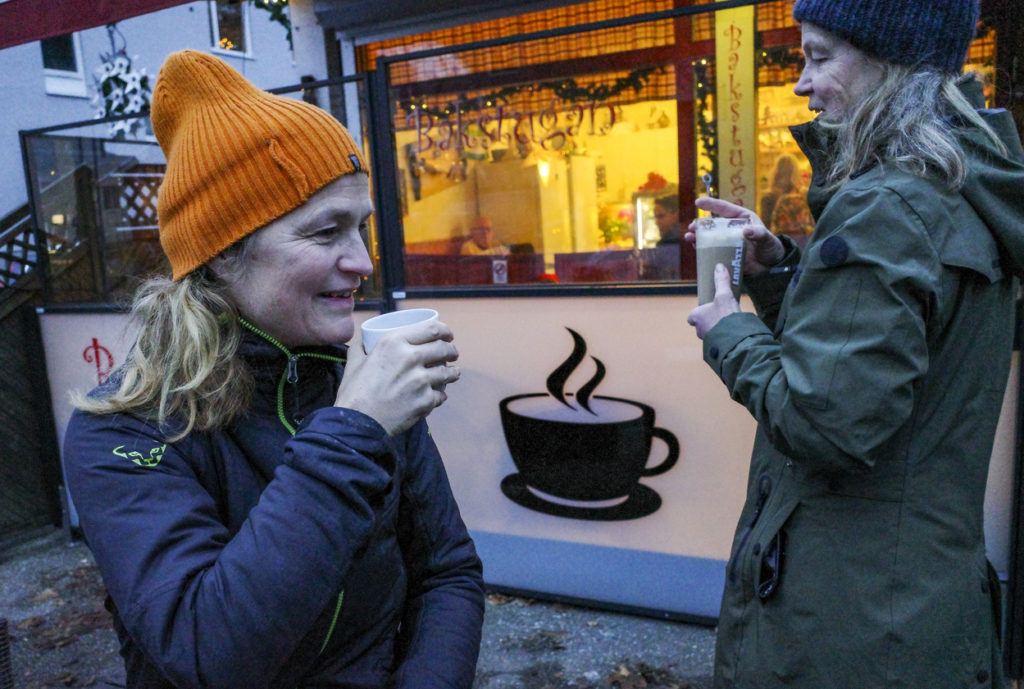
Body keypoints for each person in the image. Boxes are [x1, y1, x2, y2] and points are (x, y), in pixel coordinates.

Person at [62, 50, 484, 689]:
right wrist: (356, 429)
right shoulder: (124, 431)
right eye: (326, 232)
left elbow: (447, 573)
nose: (363, 261)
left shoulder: (355, 385)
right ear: (224, 255)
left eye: (361, 228)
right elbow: (207, 652)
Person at [685, 1, 1024, 687]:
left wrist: (730, 333)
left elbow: (824, 420)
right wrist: (780, 268)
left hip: (849, 624)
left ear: (887, 61)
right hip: (918, 600)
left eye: (818, 56)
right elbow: (877, 356)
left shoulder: (884, 207)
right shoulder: (959, 187)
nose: (802, 84)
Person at [760, 154, 814, 236]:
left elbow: (765, 228)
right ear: (796, 172)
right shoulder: (806, 194)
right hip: (804, 243)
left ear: (776, 172)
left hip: (780, 244)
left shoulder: (768, 198)